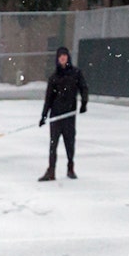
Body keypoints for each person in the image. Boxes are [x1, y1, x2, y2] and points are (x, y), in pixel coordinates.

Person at [38, 46, 88, 182]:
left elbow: (83, 88)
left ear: (68, 57)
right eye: (60, 56)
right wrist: (44, 115)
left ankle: (70, 168)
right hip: (56, 115)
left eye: (65, 56)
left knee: (69, 143)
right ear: (57, 59)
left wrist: (84, 103)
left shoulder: (76, 73)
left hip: (69, 116)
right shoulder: (54, 77)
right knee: (53, 144)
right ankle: (51, 171)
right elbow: (49, 98)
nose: (63, 58)